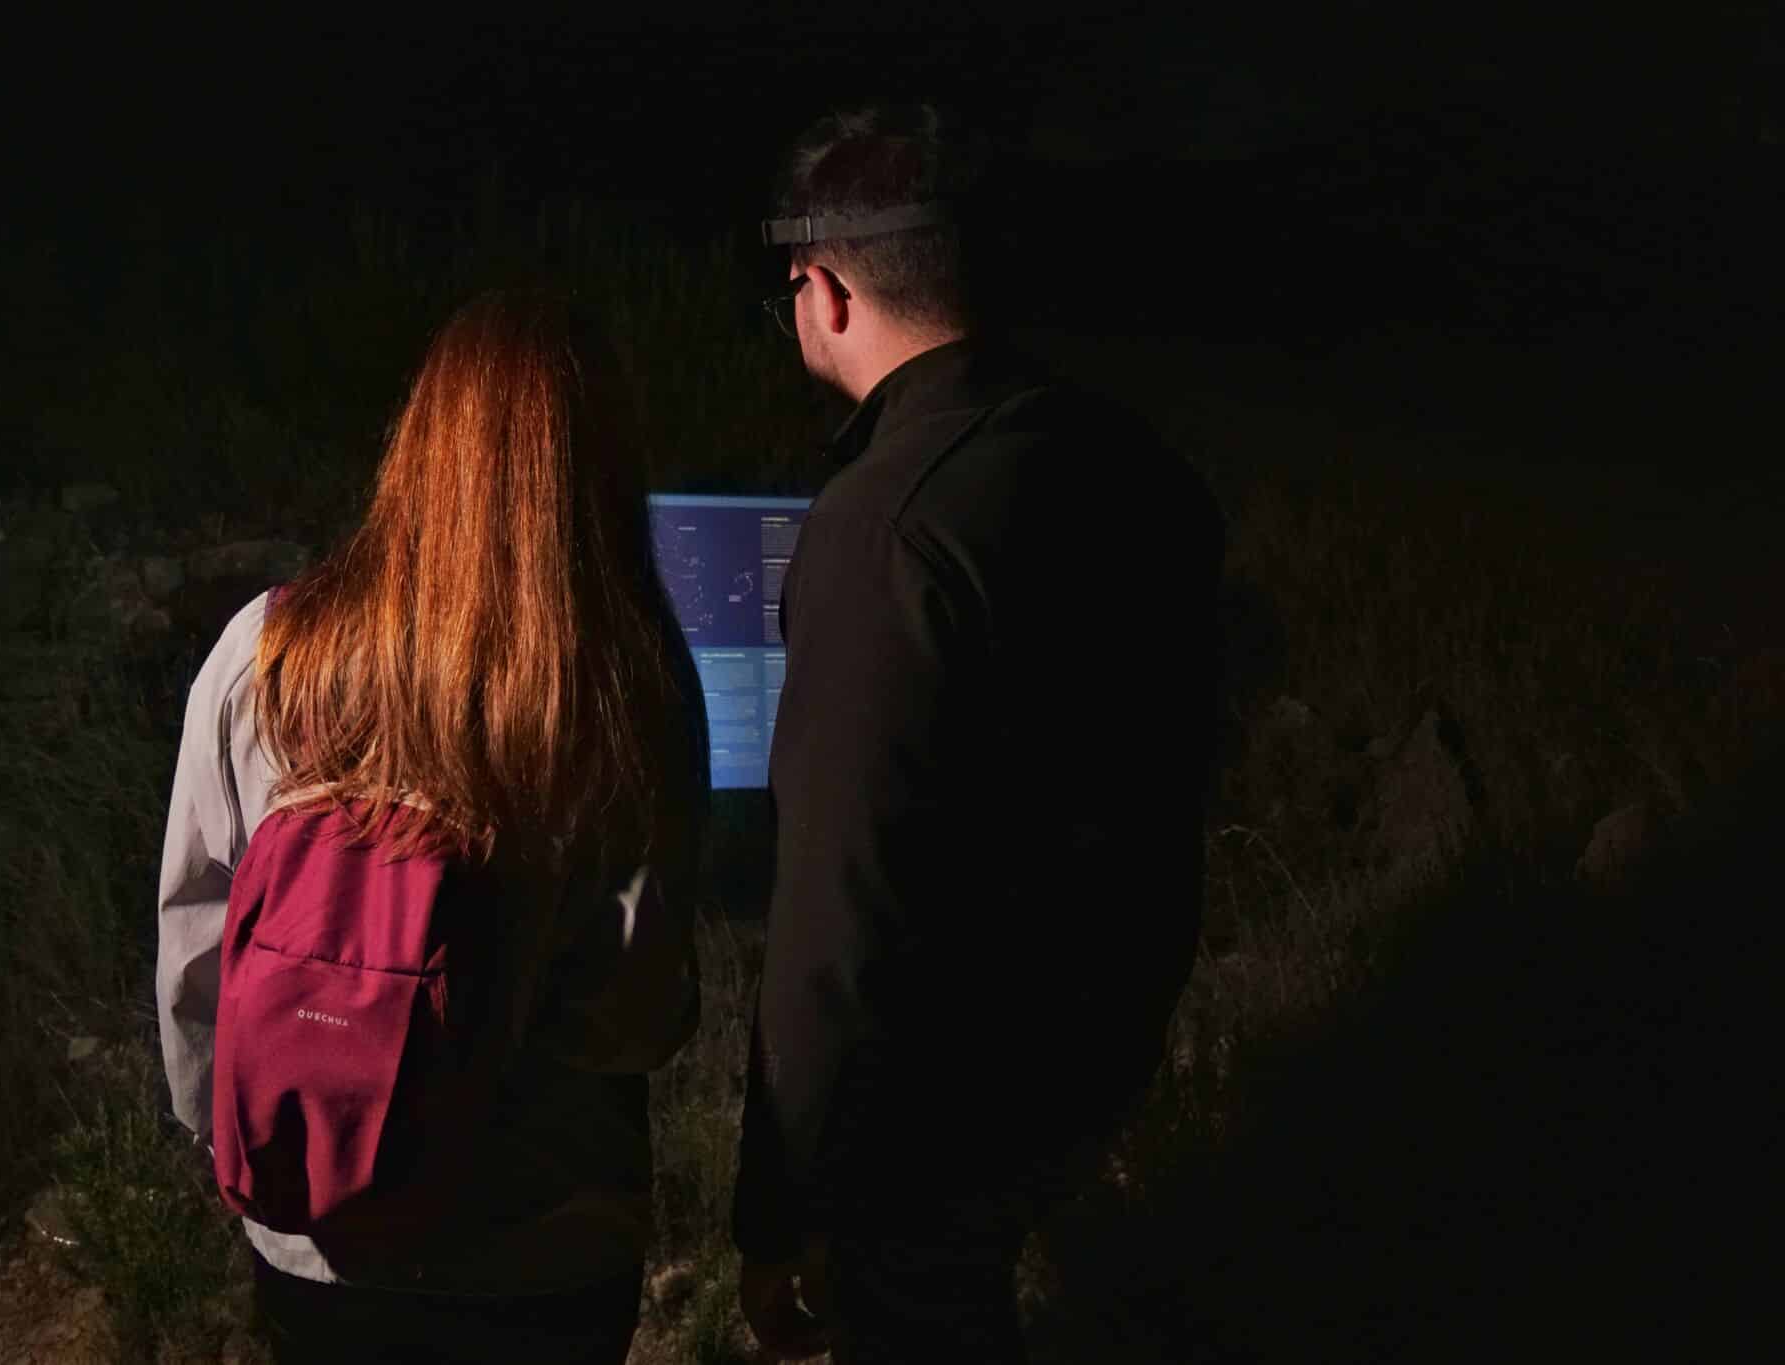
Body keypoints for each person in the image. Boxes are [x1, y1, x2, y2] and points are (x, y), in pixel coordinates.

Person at [735, 102, 1228, 1363]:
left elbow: (837, 907)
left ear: (828, 292)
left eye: (793, 282)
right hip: (1089, 1039)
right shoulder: (1128, 462)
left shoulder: (883, 529)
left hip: (936, 1107)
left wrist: (778, 1202)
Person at [155, 288, 709, 1364]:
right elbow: (632, 1020)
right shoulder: (624, 688)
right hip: (544, 1249)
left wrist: (238, 1140)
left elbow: (196, 945)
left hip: (317, 1232)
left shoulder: (265, 652)